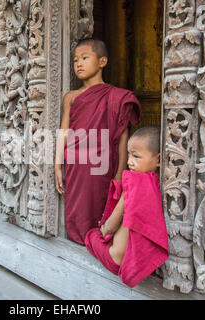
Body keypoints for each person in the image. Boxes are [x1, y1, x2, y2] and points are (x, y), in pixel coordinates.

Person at [55, 38, 142, 245]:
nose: (79, 64)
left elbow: (122, 136)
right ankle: (78, 244)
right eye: (76, 60)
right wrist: (58, 164)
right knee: (77, 210)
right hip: (76, 163)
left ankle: (99, 246)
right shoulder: (71, 97)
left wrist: (120, 172)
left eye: (85, 58)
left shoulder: (117, 97)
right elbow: (63, 132)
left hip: (103, 164)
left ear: (102, 62)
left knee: (100, 207)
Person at [84, 125, 169, 288]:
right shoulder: (157, 182)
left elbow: (110, 226)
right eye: (129, 155)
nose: (129, 162)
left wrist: (102, 232)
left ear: (158, 159)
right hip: (137, 259)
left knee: (90, 236)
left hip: (115, 258)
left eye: (136, 156)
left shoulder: (134, 181)